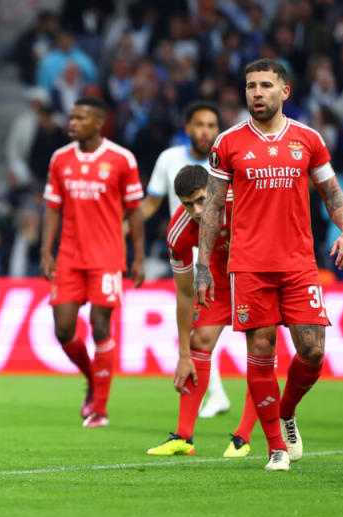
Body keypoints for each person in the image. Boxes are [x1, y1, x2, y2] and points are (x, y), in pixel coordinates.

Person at [197, 59, 343, 471]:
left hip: (299, 263)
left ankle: (286, 412)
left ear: (285, 91)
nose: (257, 93)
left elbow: (331, 191)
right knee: (261, 350)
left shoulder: (308, 139)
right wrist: (202, 265)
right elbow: (212, 207)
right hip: (249, 265)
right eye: (251, 86)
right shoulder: (228, 143)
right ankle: (276, 448)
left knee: (312, 351)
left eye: (266, 85)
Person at [40, 96, 145, 428]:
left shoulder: (121, 160)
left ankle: (99, 408)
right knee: (63, 329)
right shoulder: (59, 160)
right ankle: (92, 377)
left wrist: (138, 257)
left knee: (101, 326)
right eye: (71, 117)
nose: (71, 122)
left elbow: (135, 212)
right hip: (70, 257)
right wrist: (46, 251)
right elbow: (53, 208)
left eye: (80, 118)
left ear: (98, 123)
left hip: (106, 258)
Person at [146, 165, 257, 458]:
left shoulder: (242, 198)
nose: (195, 210)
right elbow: (184, 294)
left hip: (257, 278)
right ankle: (184, 436)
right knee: (199, 342)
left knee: (260, 348)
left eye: (200, 200)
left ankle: (242, 437)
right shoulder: (179, 232)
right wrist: (183, 356)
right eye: (186, 204)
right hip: (219, 283)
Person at [141, 101, 232, 419]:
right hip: (186, 249)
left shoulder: (226, 162)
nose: (205, 131)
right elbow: (151, 204)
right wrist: (125, 227)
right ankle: (216, 394)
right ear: (187, 128)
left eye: (211, 125)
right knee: (200, 330)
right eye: (199, 124)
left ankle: (225, 400)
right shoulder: (169, 159)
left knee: (247, 335)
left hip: (229, 256)